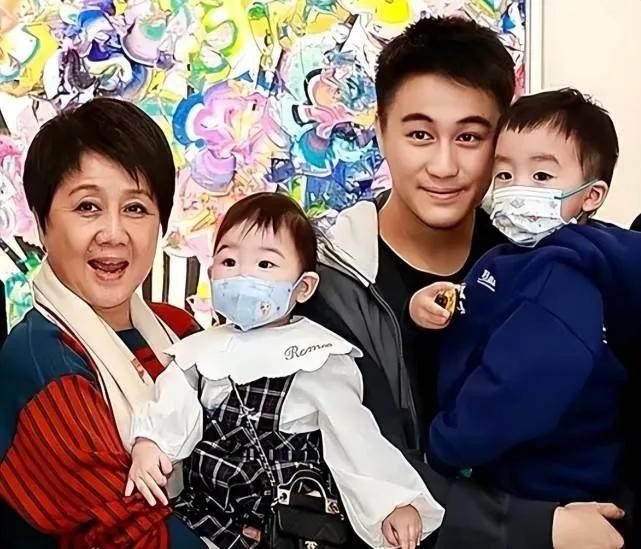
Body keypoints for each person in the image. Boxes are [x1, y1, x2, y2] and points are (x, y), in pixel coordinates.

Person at [299, 16, 626, 549]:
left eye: (470, 137)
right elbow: (361, 464)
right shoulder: (327, 284)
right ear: (381, 132)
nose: (445, 165)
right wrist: (541, 527)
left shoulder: (550, 259)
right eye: (420, 135)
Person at [125, 192, 445, 549]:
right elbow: (172, 401)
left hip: (290, 524)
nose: (243, 274)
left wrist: (392, 502)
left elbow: (354, 436)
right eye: (229, 261)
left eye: (265, 264)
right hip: (210, 515)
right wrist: (151, 442)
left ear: (303, 286)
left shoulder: (317, 354)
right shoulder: (199, 350)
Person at [410, 88, 637, 515]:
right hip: (507, 474)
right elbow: (485, 319)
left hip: (548, 492)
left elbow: (515, 391)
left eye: (542, 176)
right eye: (504, 174)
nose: (517, 189)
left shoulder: (562, 277)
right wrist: (437, 307)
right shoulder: (514, 255)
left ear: (591, 196)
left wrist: (440, 449)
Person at [0, 98, 204, 547]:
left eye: (136, 209)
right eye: (88, 206)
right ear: (42, 223)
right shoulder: (40, 360)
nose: (113, 233)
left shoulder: (180, 331)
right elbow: (132, 535)